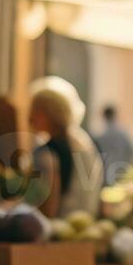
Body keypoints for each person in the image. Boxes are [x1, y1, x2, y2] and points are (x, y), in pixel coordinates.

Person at [28, 77, 104, 219]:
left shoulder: (50, 151)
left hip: (61, 225)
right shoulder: (81, 141)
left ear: (48, 114)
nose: (30, 118)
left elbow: (47, 204)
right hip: (81, 222)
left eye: (35, 111)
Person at [92, 105, 133, 185]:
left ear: (104, 116)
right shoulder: (124, 134)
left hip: (106, 174)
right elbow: (132, 151)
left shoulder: (101, 136)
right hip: (122, 171)